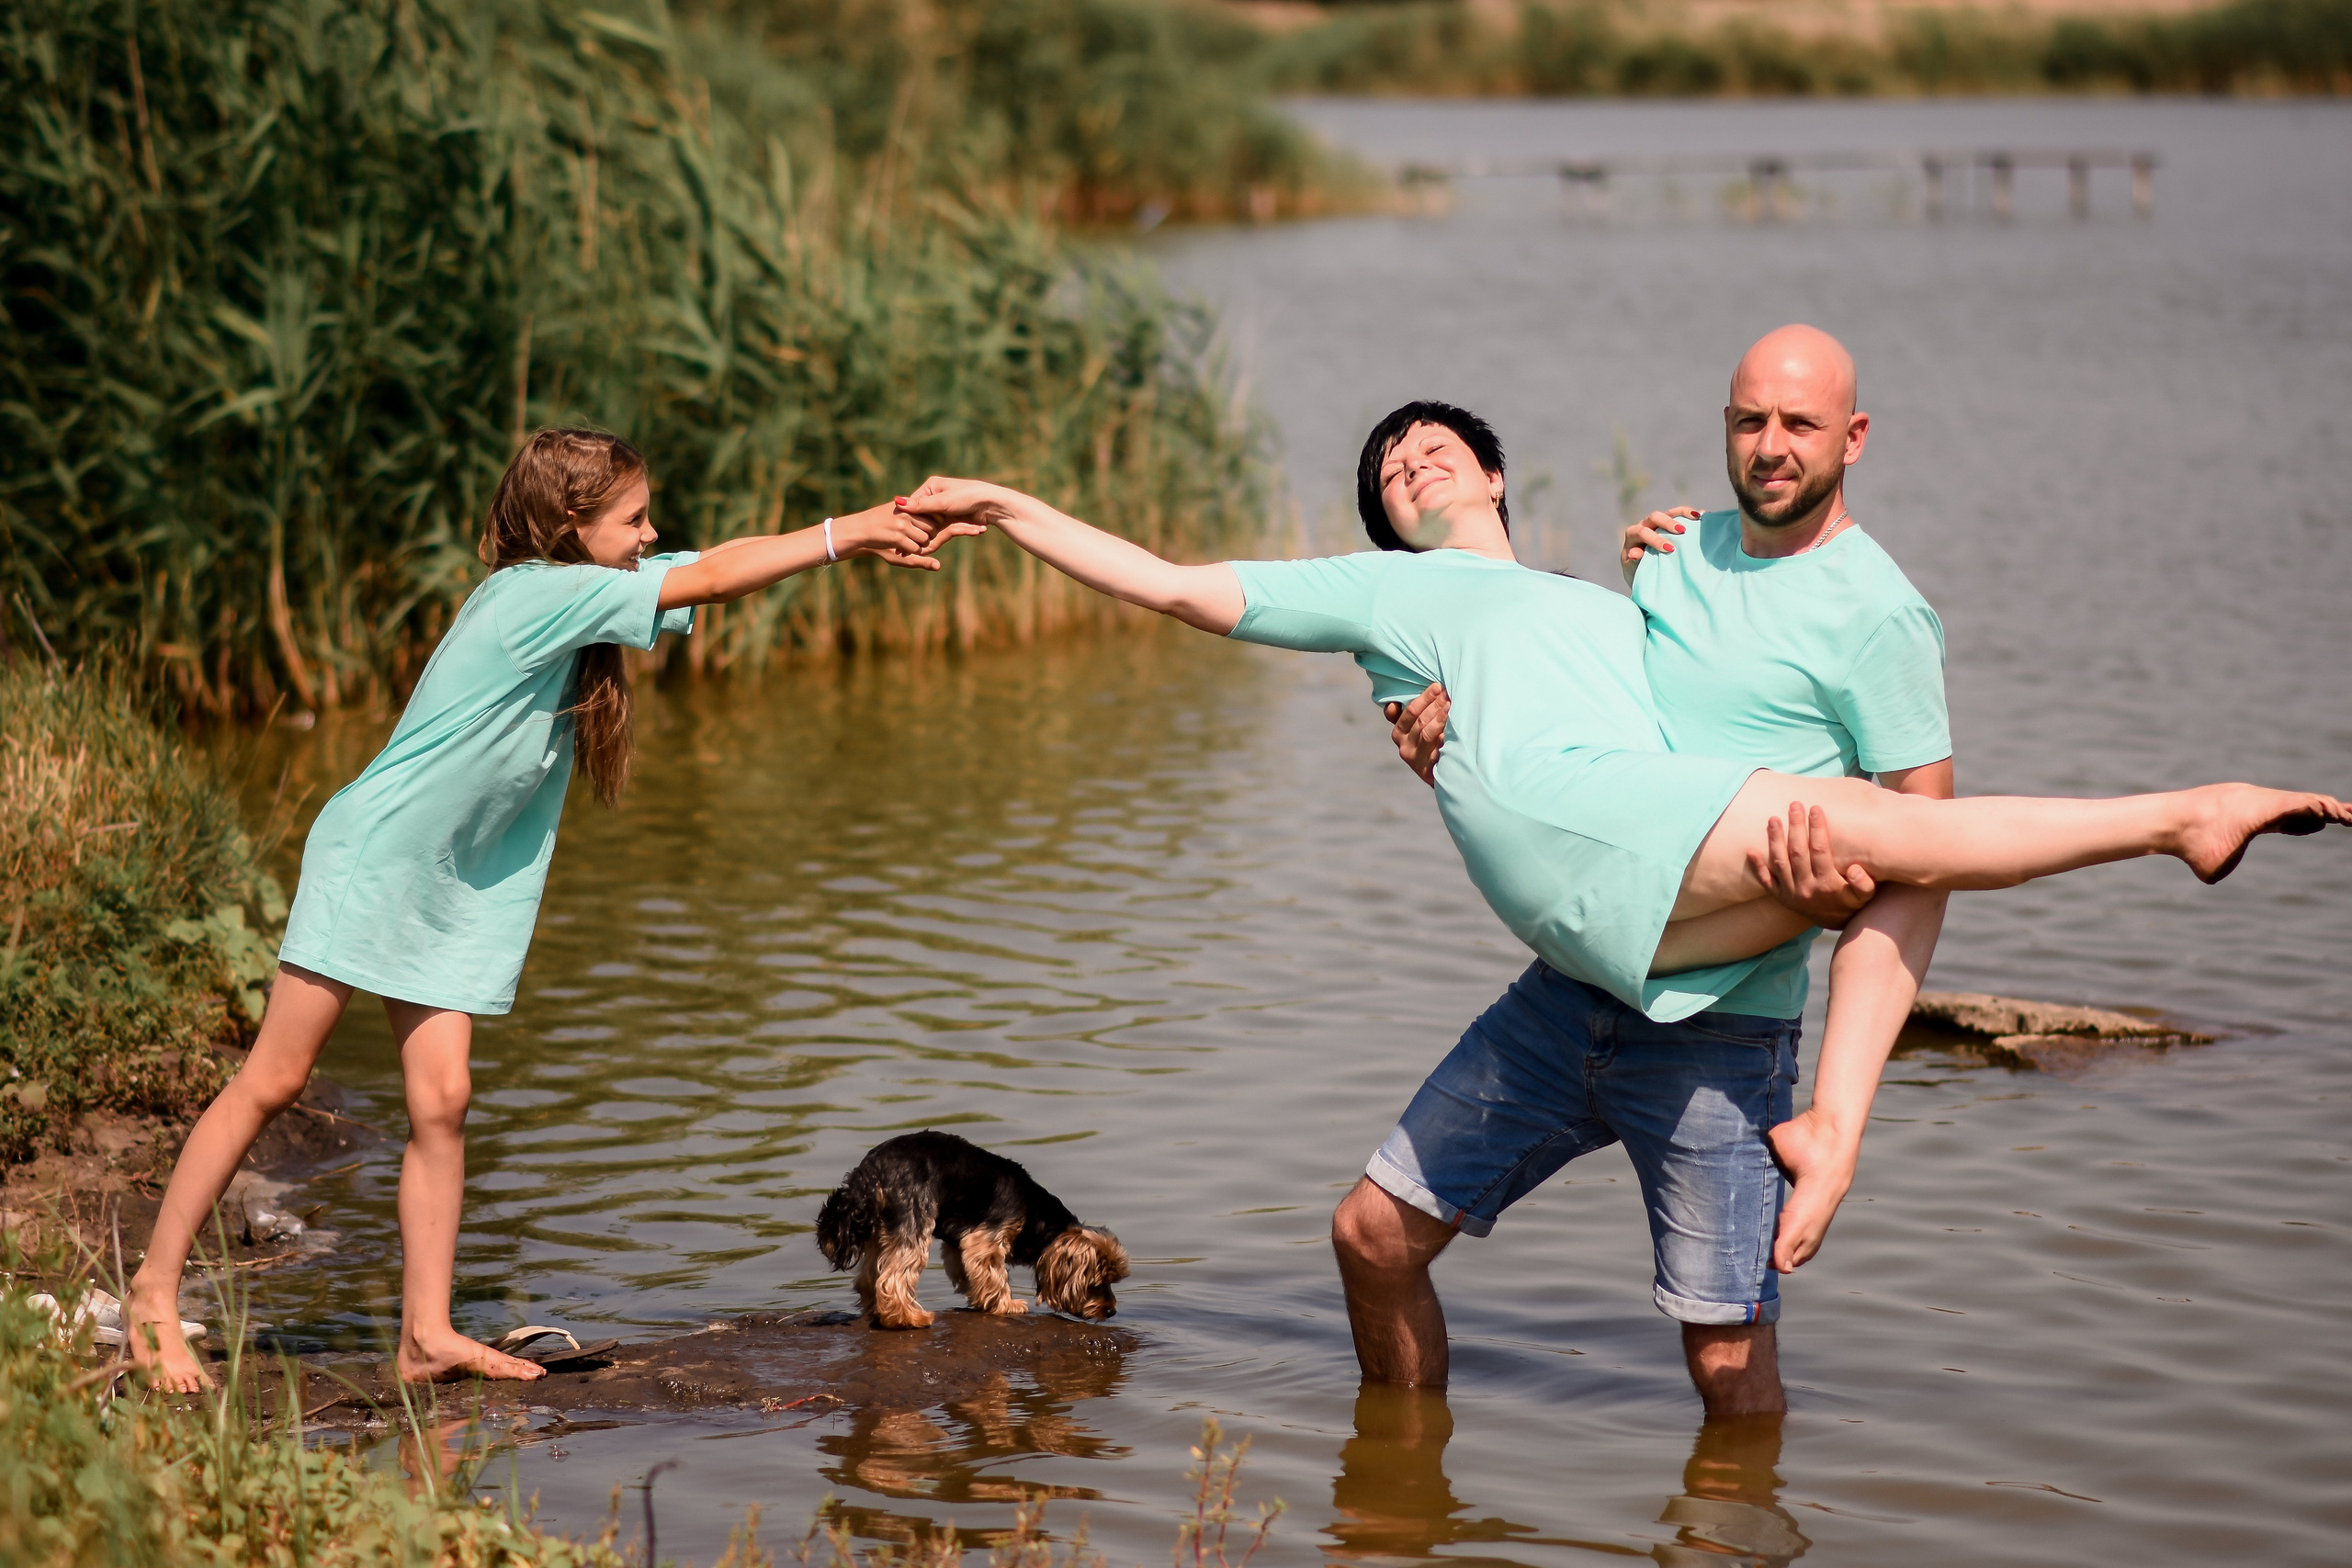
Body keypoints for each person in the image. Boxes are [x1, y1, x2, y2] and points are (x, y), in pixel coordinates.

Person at [892, 408, 2344, 1385]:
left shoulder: (1622, 601)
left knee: (1730, 1341)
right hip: (1575, 938)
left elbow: (1750, 678)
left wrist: (1692, 548)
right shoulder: (1386, 600)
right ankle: (1407, 1472)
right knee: (1369, 1235)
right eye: (1386, 460)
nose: (1406, 457)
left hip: (1685, 952)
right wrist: (1009, 504)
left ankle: (1726, 1508)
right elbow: (1171, 585)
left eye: (1433, 442)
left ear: (1497, 473)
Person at [126, 429, 944, 1392]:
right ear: (570, 524)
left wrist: (854, 536)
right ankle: (150, 1295)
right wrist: (856, 528)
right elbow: (715, 576)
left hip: (440, 881)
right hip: (377, 861)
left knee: (443, 1100)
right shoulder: (533, 597)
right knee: (273, 1076)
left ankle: (425, 1335)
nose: (651, 533)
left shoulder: (574, 596)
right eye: (634, 517)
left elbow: (706, 568)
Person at [1357, 325, 1953, 1414]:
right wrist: (1442, 759)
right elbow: (1586, 753)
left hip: (1724, 1023)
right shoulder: (1672, 554)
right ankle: (1399, 1503)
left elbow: (1928, 856)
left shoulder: (1881, 616)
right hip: (1571, 988)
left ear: (1853, 438)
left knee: (1724, 1363)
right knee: (1369, 1238)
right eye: (1749, 421)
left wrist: (1838, 1100)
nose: (1770, 445)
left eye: (1800, 425)